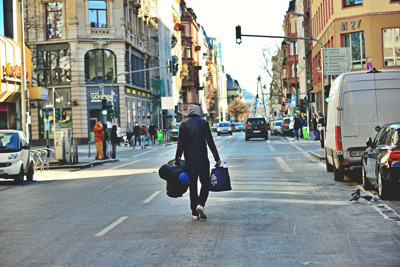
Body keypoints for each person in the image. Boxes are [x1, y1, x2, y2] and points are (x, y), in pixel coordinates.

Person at [174, 104, 221, 221]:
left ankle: (194, 213)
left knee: (192, 185)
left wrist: (177, 160)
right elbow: (210, 141)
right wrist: (217, 158)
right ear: (198, 112)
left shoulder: (183, 125)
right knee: (205, 182)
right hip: (202, 159)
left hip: (189, 160)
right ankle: (200, 203)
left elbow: (180, 144)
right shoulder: (203, 123)